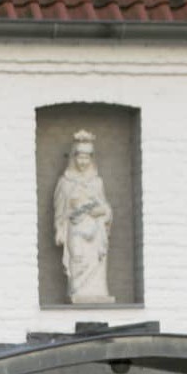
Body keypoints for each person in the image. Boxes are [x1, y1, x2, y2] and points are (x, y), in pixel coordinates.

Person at [53, 129, 113, 304]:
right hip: (76, 231)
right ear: (73, 158)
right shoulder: (65, 182)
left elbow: (106, 208)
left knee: (95, 267)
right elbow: (60, 210)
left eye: (87, 158)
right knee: (77, 261)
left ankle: (97, 293)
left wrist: (102, 212)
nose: (83, 162)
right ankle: (76, 291)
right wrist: (60, 228)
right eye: (80, 157)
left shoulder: (97, 182)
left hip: (95, 234)